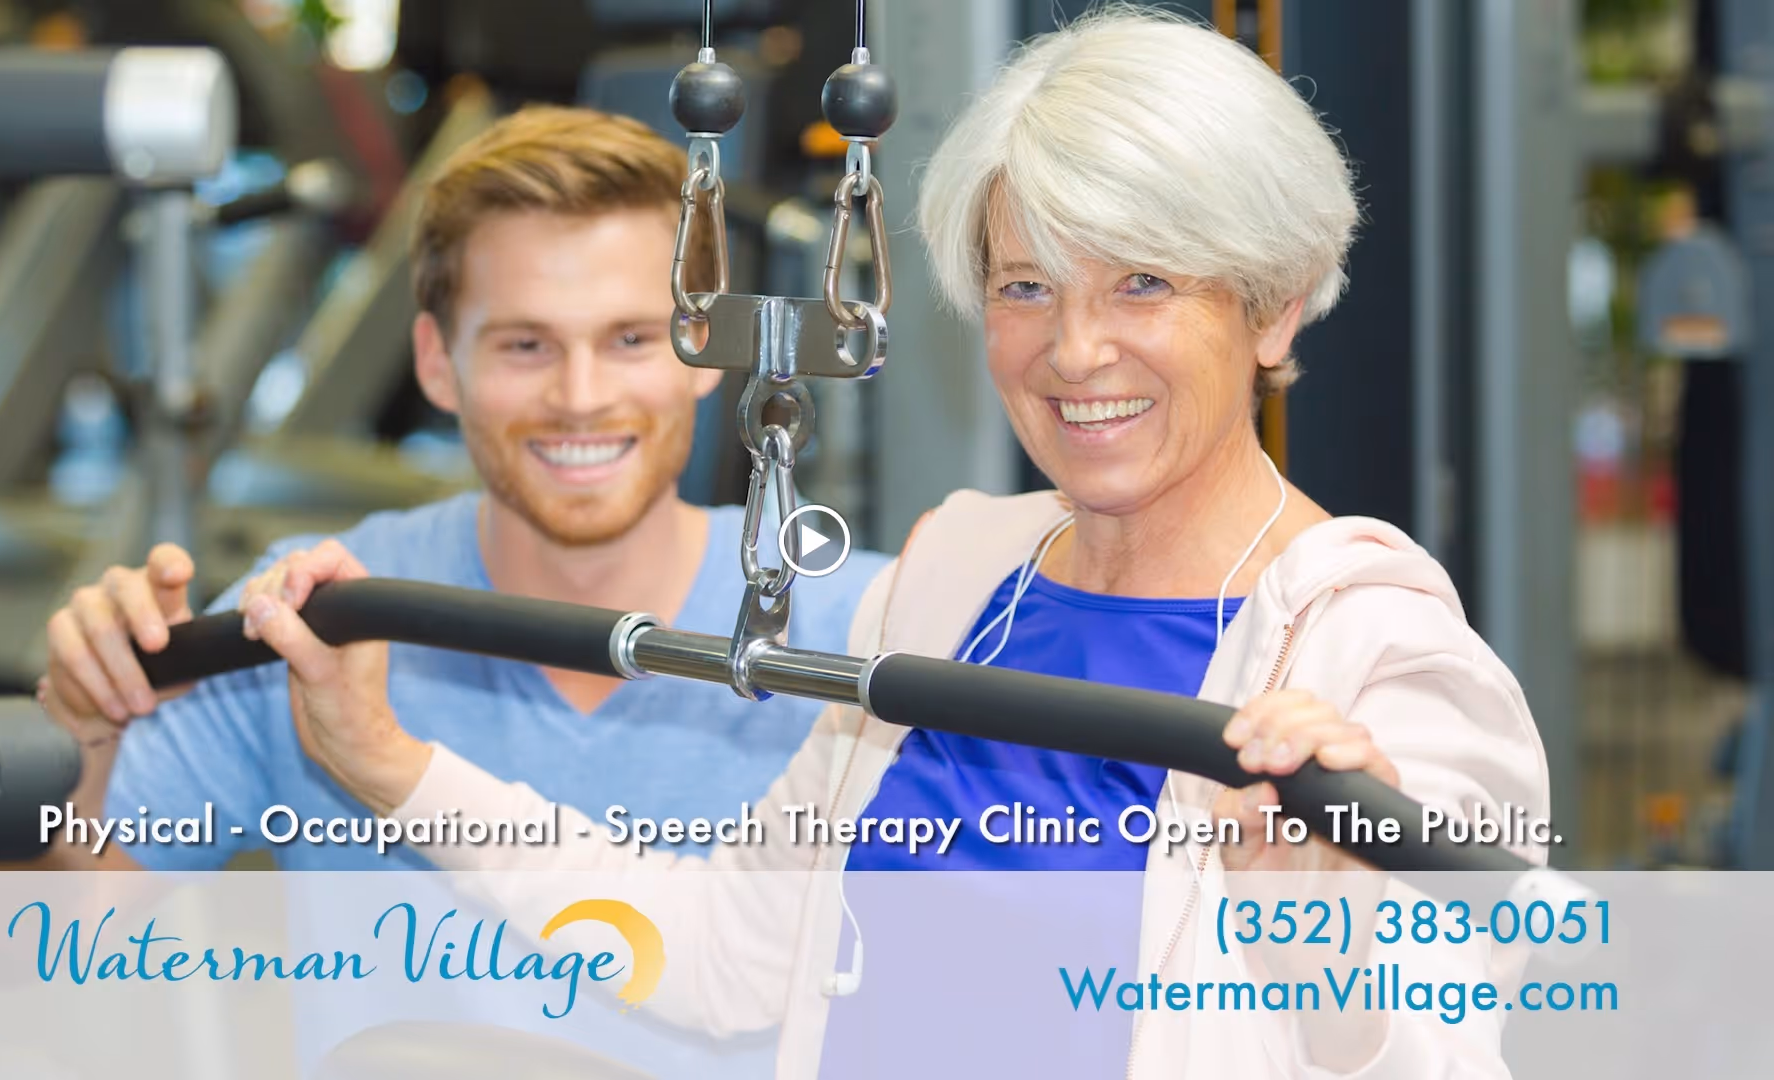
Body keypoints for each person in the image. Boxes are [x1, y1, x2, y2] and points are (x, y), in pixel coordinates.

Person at [229, 10, 1549, 1078]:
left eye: (1143, 280)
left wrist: (1322, 938)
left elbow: (1431, 1047)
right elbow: (723, 956)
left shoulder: (1372, 655)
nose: (1075, 349)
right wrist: (392, 765)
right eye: (1028, 287)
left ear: (1272, 310)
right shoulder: (957, 578)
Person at [34, 105, 888, 1075]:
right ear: (439, 363)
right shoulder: (314, 619)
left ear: (705, 350)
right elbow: (25, 946)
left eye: (630, 340)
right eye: (526, 345)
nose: (579, 395)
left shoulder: (860, 628)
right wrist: (78, 737)